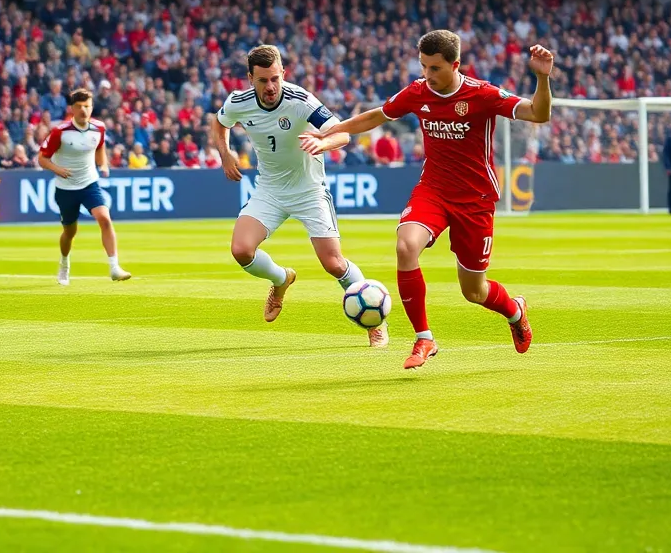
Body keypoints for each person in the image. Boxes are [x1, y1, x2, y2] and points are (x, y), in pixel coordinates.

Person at [310, 31, 552, 369]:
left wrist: (541, 77)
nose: (427, 75)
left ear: (455, 65)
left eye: (435, 68)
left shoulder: (481, 94)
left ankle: (515, 310)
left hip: (475, 199)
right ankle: (424, 337)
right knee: (406, 246)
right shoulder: (418, 91)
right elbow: (377, 115)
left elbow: (538, 114)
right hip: (433, 190)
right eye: (423, 66)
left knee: (474, 291)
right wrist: (330, 132)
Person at [211, 44, 387, 347]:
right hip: (269, 189)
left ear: (283, 74)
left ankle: (375, 322)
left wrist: (323, 144)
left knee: (333, 263)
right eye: (263, 80)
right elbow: (219, 122)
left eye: (275, 79)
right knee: (241, 250)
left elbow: (342, 133)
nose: (270, 87)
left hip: (309, 191)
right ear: (250, 78)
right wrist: (225, 153)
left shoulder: (301, 100)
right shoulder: (238, 102)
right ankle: (281, 279)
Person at [37, 88, 131, 286]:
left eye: (87, 106)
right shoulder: (60, 132)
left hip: (89, 183)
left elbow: (100, 147)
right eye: (79, 106)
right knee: (70, 233)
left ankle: (114, 267)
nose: (83, 110)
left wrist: (103, 163)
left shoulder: (99, 128)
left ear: (92, 107)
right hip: (66, 189)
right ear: (72, 109)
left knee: (105, 219)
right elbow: (42, 158)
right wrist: (57, 169)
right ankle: (64, 263)